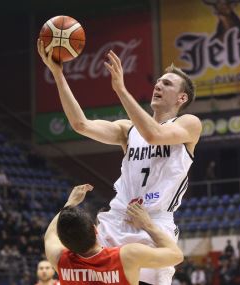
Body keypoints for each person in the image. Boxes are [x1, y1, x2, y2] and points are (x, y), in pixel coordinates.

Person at [38, 38, 201, 284]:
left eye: (166, 84)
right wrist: (58, 74)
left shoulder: (189, 124)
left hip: (153, 223)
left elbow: (154, 135)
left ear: (181, 98)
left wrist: (121, 90)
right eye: (157, 82)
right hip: (116, 220)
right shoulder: (128, 130)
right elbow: (80, 124)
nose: (158, 85)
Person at [44, 184, 184, 285]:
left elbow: (50, 235)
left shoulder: (60, 260)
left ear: (64, 242)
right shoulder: (127, 255)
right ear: (95, 230)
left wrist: (69, 204)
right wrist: (148, 225)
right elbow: (176, 256)